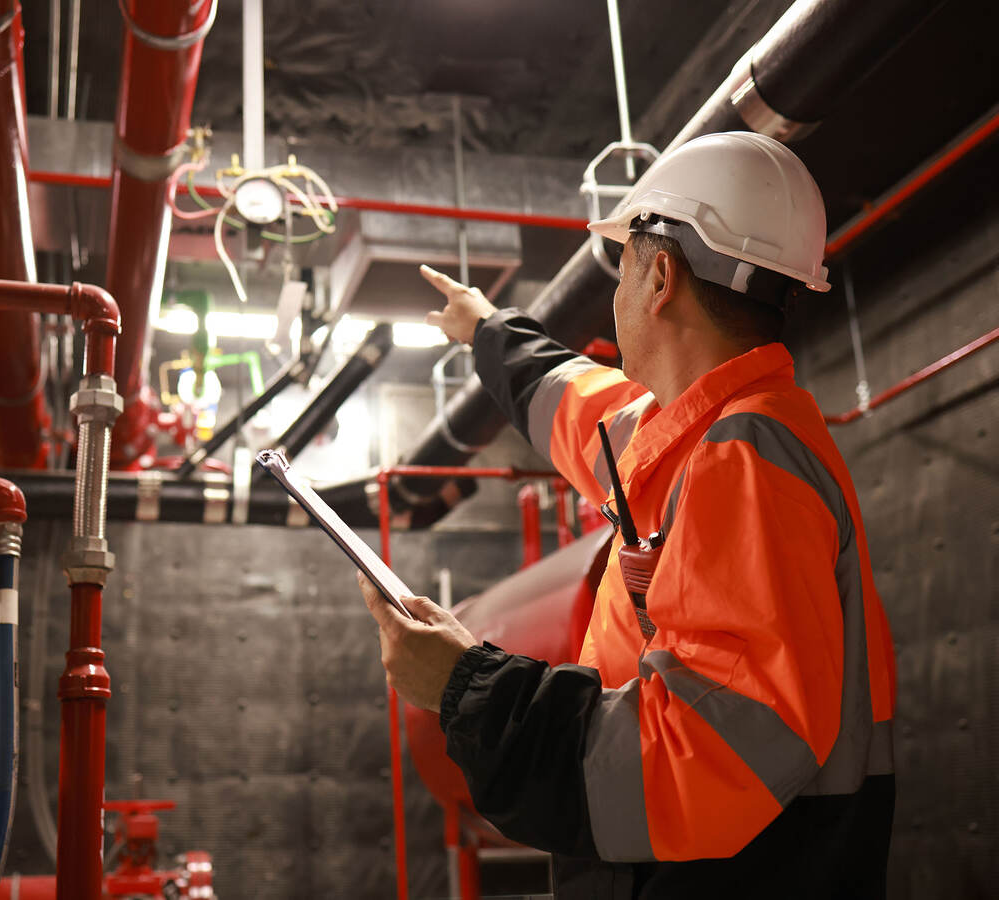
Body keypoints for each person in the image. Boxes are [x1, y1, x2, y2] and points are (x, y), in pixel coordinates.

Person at [357, 131, 896, 899]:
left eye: (622, 263)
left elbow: (708, 758)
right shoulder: (687, 428)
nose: (616, 287)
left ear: (661, 275)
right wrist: (485, 330)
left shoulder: (742, 459)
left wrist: (467, 685)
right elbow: (573, 405)